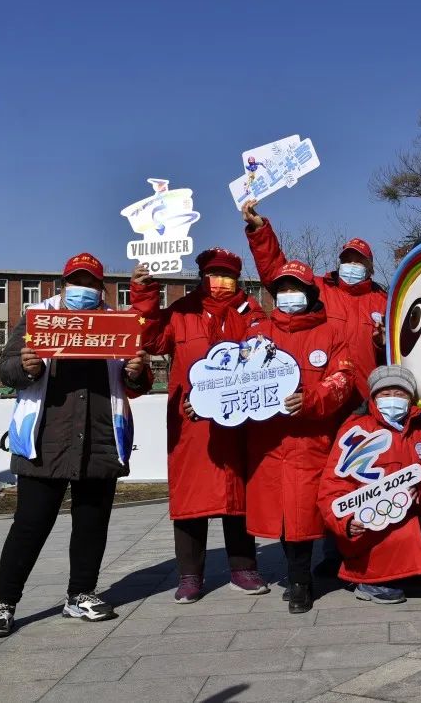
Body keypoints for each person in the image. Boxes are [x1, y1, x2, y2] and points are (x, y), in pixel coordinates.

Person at [0, 253, 152, 639]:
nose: (82, 289)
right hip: (45, 441)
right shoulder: (37, 317)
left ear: (101, 288)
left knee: (91, 524)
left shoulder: (119, 324)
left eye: (90, 283)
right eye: (76, 281)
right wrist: (25, 367)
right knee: (30, 525)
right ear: (63, 285)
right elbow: (6, 368)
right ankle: (2, 602)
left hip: (100, 440)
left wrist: (137, 372)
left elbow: (137, 383)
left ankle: (81, 594)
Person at [130, 248, 268, 604]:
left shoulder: (252, 311)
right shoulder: (183, 310)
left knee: (239, 494)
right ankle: (190, 575)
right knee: (190, 498)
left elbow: (265, 356)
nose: (220, 281)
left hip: (238, 421)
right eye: (213, 274)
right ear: (201, 277)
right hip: (191, 423)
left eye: (228, 275)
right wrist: (144, 294)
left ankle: (243, 568)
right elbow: (151, 339)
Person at [243, 260, 357, 614]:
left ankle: (300, 582)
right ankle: (297, 575)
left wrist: (310, 400)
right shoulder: (258, 335)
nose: (288, 295)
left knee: (302, 514)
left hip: (310, 440)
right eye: (282, 289)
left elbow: (342, 381)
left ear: (309, 293)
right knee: (281, 514)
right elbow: (236, 379)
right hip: (267, 442)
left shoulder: (332, 333)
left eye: (295, 288)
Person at [317, 366, 421, 604]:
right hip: (368, 524)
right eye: (385, 393)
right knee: (401, 540)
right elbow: (334, 483)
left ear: (410, 399)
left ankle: (396, 578)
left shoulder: (419, 431)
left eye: (400, 394)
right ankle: (370, 582)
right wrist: (346, 521)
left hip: (405, 516)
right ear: (373, 397)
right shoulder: (357, 430)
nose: (393, 399)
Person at [243, 200, 386, 398]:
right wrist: (260, 232)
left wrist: (381, 344)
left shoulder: (384, 302)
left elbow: (398, 351)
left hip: (364, 396)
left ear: (370, 267)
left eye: (358, 261)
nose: (351, 265)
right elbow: (278, 272)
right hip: (321, 394)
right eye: (346, 260)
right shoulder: (320, 289)